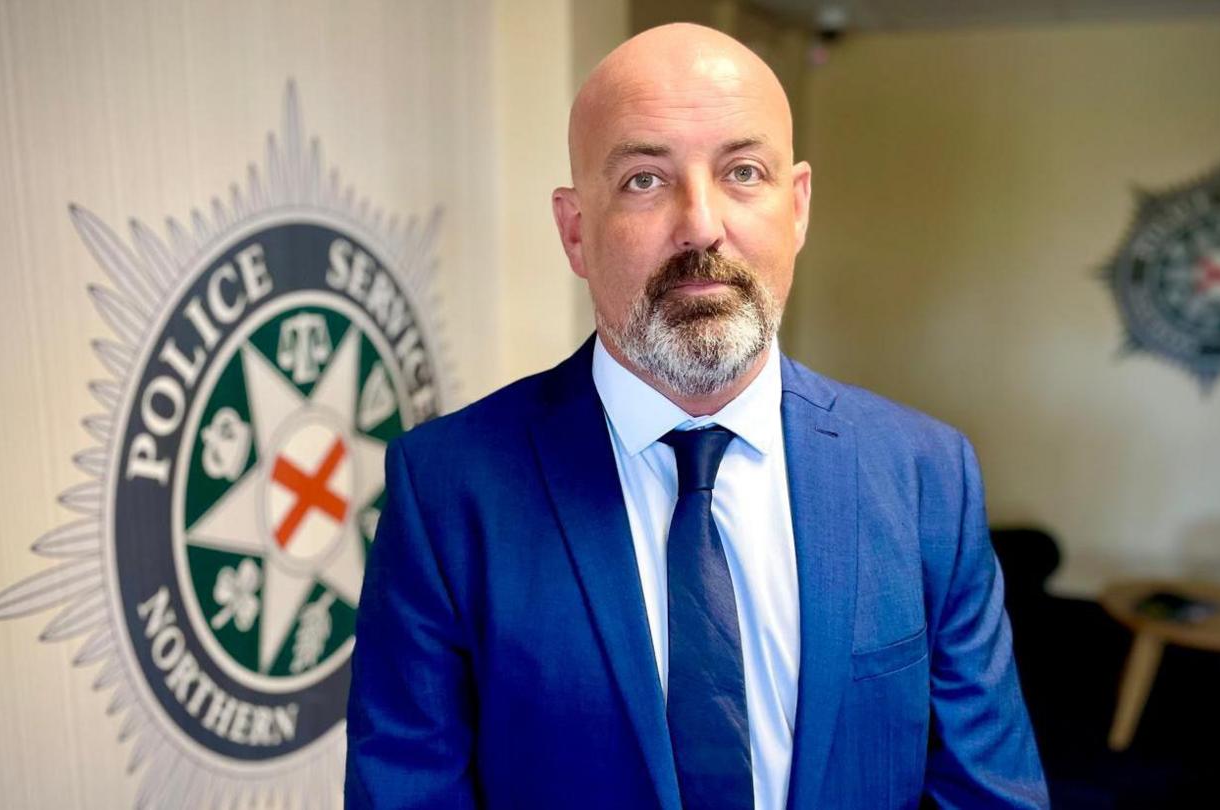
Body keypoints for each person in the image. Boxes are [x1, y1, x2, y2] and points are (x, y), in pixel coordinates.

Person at [345, 22, 1048, 810]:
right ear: (576, 230)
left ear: (798, 206)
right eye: (646, 179)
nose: (703, 224)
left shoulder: (926, 476)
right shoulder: (445, 488)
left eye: (743, 172)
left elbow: (990, 794)